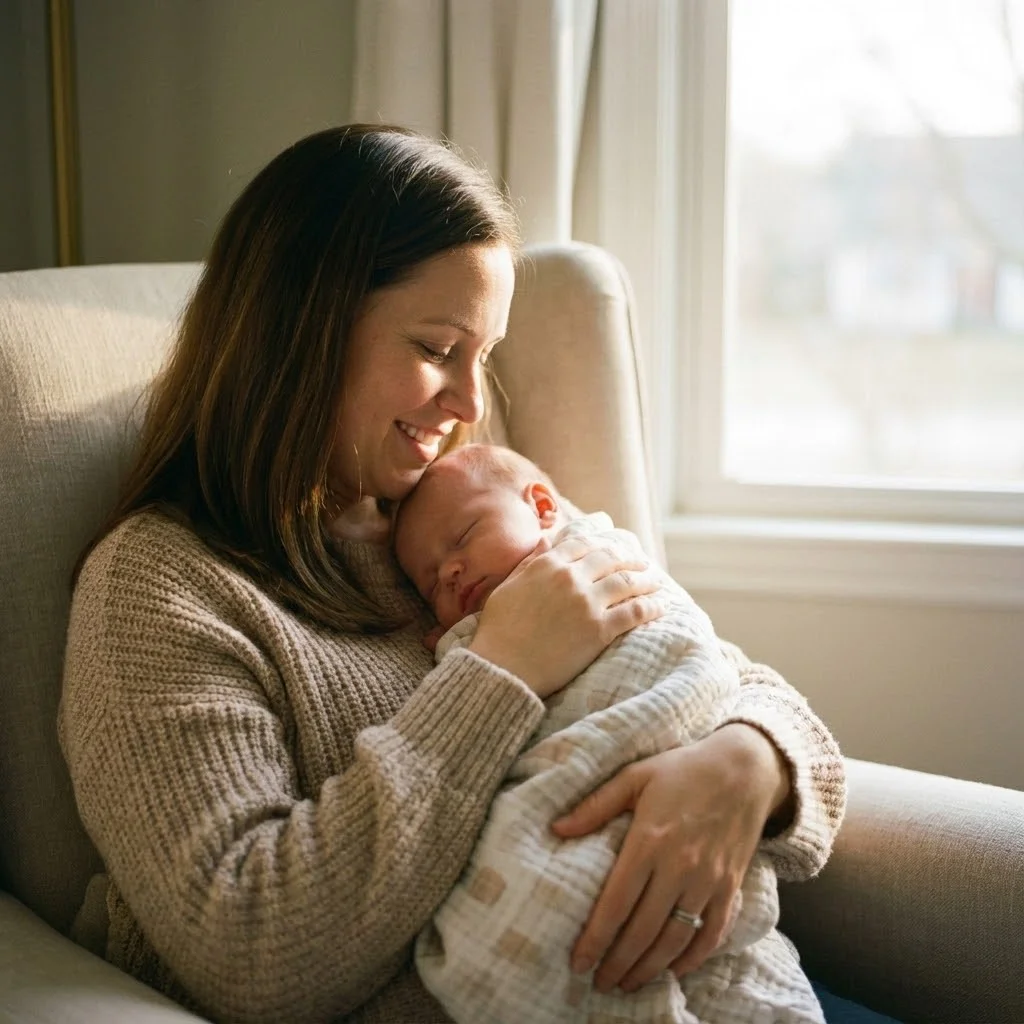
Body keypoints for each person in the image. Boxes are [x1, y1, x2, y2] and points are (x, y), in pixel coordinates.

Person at [57, 124, 847, 1024]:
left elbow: (704, 664)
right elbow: (252, 954)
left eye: (484, 358)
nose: (472, 404)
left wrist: (746, 764)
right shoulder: (160, 589)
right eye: (438, 349)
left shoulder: (466, 516)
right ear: (302, 330)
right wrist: (497, 674)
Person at [393, 443, 825, 1023]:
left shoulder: (590, 551)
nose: (450, 571)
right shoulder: (482, 617)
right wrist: (472, 655)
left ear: (543, 507)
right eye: (430, 588)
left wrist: (752, 755)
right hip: (582, 840)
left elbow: (730, 671)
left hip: (704, 827)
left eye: (464, 538)